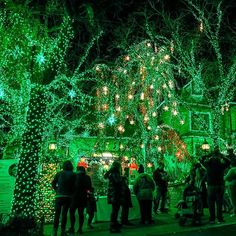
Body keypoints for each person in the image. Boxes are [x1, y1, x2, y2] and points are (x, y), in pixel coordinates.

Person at [203, 146, 231, 223]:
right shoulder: (221, 166)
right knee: (219, 202)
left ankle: (212, 218)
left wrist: (210, 154)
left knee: (211, 203)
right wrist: (221, 155)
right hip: (220, 185)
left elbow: (201, 159)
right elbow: (229, 162)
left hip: (211, 186)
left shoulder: (208, 166)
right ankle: (220, 218)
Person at [51, 160, 76, 236]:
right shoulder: (73, 174)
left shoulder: (59, 173)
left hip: (59, 196)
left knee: (57, 214)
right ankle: (63, 231)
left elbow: (53, 183)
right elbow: (75, 185)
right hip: (68, 196)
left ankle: (54, 232)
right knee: (64, 214)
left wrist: (57, 190)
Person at [68, 166, 92, 235]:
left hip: (74, 197)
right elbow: (89, 188)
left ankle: (72, 228)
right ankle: (80, 229)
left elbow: (70, 186)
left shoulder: (74, 176)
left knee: (72, 213)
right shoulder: (87, 177)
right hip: (83, 197)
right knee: (81, 213)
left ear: (77, 170)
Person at [104, 161, 124, 233]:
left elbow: (106, 177)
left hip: (112, 194)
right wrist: (122, 178)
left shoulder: (111, 172)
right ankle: (113, 226)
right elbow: (117, 181)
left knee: (115, 210)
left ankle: (115, 223)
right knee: (115, 210)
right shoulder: (115, 173)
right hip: (115, 194)